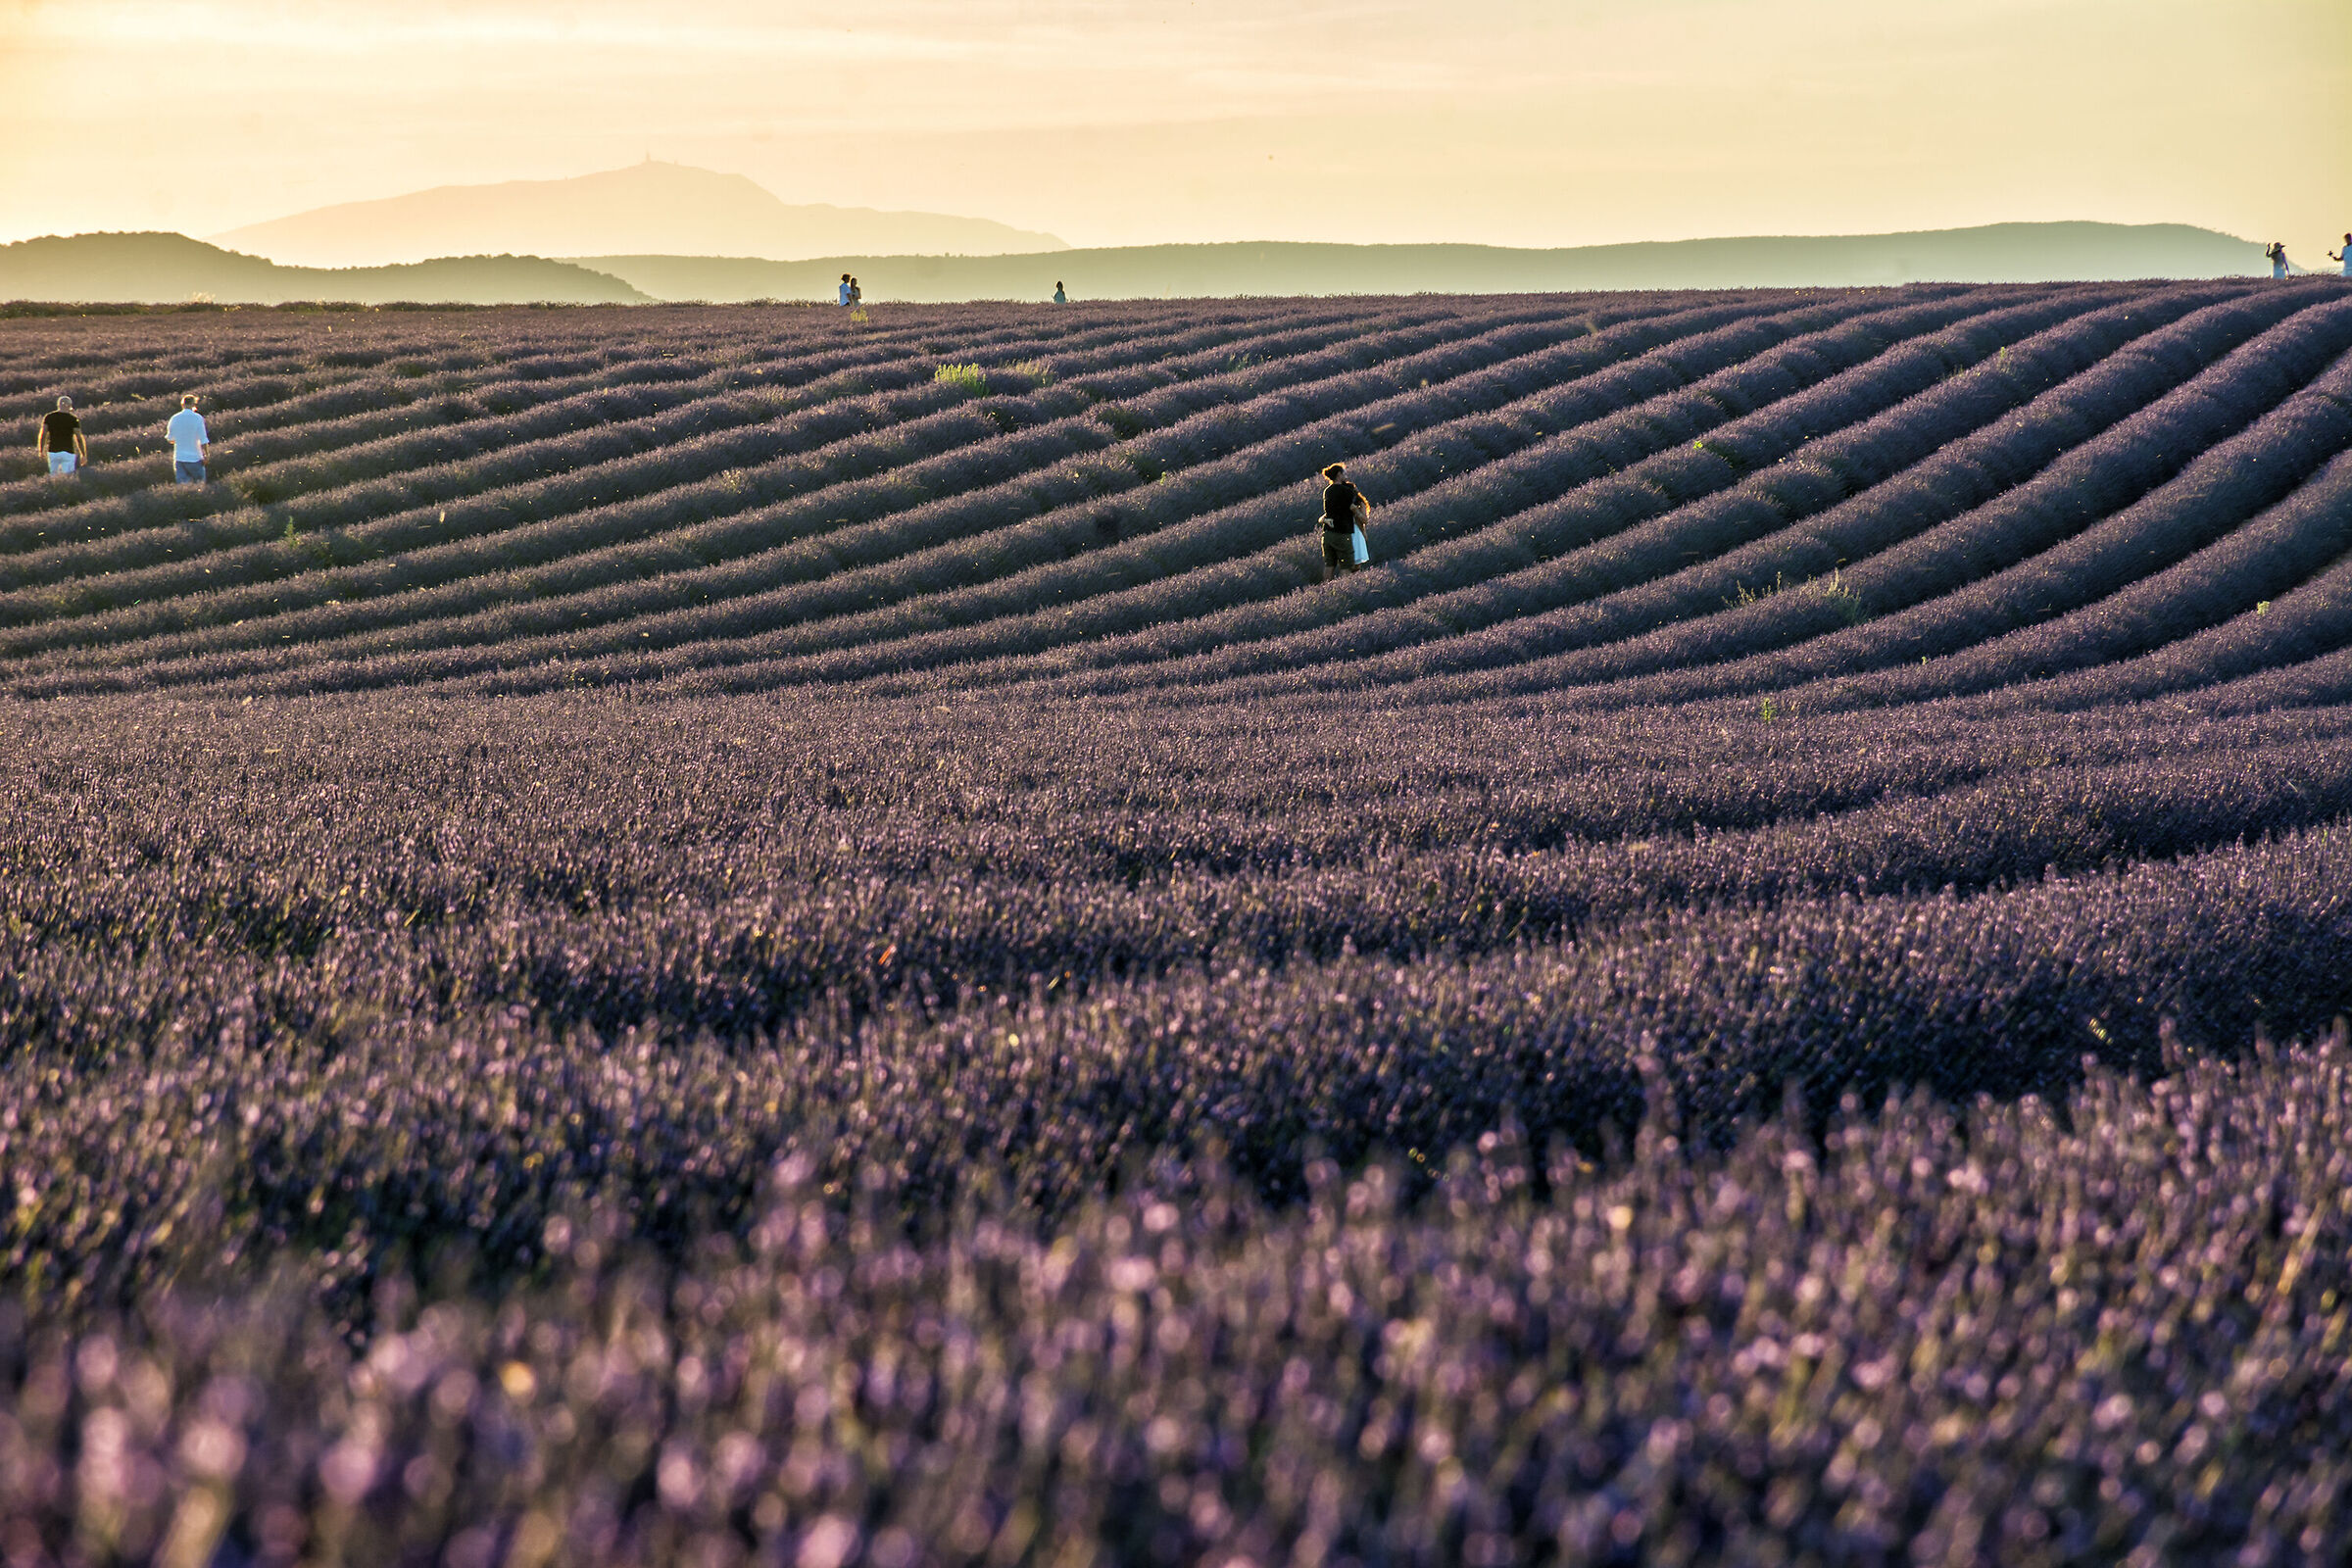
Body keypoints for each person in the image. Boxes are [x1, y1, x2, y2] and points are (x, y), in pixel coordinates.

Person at [1316, 462, 1369, 581]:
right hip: (1342, 534)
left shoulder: (1327, 491)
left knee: (1329, 565)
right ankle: (1346, 590)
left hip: (1328, 534)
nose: (1346, 475)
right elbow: (1351, 507)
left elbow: (1329, 513)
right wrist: (1356, 509)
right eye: (1344, 473)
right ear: (1339, 474)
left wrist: (1323, 520)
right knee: (1346, 567)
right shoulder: (1346, 491)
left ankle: (1325, 590)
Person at [35, 395, 87, 477]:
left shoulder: (49, 417)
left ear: (58, 405)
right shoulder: (73, 419)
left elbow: (43, 435)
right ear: (70, 406)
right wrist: (83, 454)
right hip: (68, 452)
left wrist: (41, 450)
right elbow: (79, 438)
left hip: (53, 452)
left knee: (54, 477)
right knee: (68, 477)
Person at [166, 393, 210, 484]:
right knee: (199, 485)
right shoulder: (198, 418)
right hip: (195, 458)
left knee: (183, 488)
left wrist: (181, 439)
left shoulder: (174, 418)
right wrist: (206, 455)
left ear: (182, 404)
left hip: (180, 459)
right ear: (194, 404)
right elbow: (203, 439)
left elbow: (170, 439)